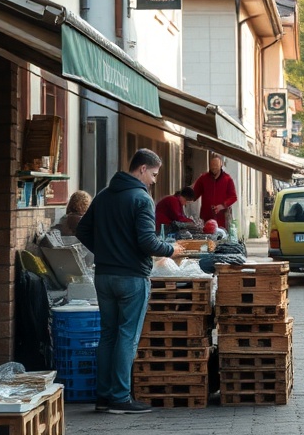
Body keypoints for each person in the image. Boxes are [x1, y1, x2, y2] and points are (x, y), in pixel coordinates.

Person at [76, 148, 185, 414]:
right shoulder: (141, 198)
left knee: (108, 335)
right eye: (154, 174)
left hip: (103, 275)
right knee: (127, 336)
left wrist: (103, 250)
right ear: (142, 169)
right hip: (131, 277)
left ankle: (103, 397)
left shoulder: (103, 195)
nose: (154, 181)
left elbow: (81, 229)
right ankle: (121, 398)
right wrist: (172, 250)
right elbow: (147, 241)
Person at [192, 154, 237, 230]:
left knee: (221, 238)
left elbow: (233, 197)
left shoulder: (227, 179)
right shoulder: (203, 178)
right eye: (212, 165)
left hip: (222, 218)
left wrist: (222, 206)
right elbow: (194, 195)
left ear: (221, 164)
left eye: (216, 165)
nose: (214, 167)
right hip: (206, 217)